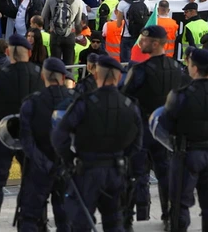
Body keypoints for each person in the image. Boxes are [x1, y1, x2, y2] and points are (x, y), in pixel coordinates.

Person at [51, 55, 141, 232]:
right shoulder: (130, 105)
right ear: (117, 77)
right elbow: (137, 143)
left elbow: (59, 136)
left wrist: (71, 159)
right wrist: (122, 157)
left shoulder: (84, 104)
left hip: (87, 171)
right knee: (114, 221)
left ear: (97, 76)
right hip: (116, 171)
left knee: (81, 223)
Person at [121, 25, 187, 230]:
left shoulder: (140, 70)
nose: (142, 42)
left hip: (142, 129)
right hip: (166, 130)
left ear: (156, 43)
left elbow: (125, 98)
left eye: (146, 40)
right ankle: (170, 216)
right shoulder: (178, 68)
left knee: (134, 174)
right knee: (166, 174)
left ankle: (130, 217)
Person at [0, 34, 43, 232]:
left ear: (8, 52)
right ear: (29, 53)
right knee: (33, 181)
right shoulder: (40, 74)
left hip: (3, 132)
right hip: (31, 135)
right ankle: (32, 224)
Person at [158, 48, 208, 231]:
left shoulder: (183, 94)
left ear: (194, 68)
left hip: (188, 153)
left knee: (180, 203)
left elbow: (164, 123)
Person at [18, 57, 75, 232]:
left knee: (29, 217)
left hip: (38, 168)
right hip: (67, 169)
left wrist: (43, 163)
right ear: (64, 77)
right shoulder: (76, 101)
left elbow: (26, 141)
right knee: (66, 217)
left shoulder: (32, 102)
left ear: (43, 76)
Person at [41, 0, 85, 65]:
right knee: (69, 64)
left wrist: (48, 28)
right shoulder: (78, 2)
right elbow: (78, 22)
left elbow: (43, 16)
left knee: (55, 64)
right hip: (69, 35)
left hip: (55, 34)